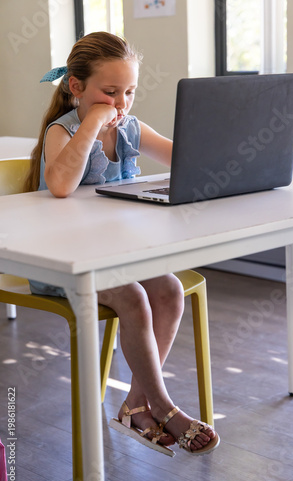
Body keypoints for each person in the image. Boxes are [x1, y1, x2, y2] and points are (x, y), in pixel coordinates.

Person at [25, 31, 220, 456]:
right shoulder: (65, 130)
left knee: (167, 288)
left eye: (129, 91)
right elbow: (60, 186)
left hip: (115, 257)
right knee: (133, 296)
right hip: (62, 263)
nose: (121, 103)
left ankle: (134, 404)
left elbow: (188, 161)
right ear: (76, 88)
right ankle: (164, 405)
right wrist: (92, 123)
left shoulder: (131, 129)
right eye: (110, 92)